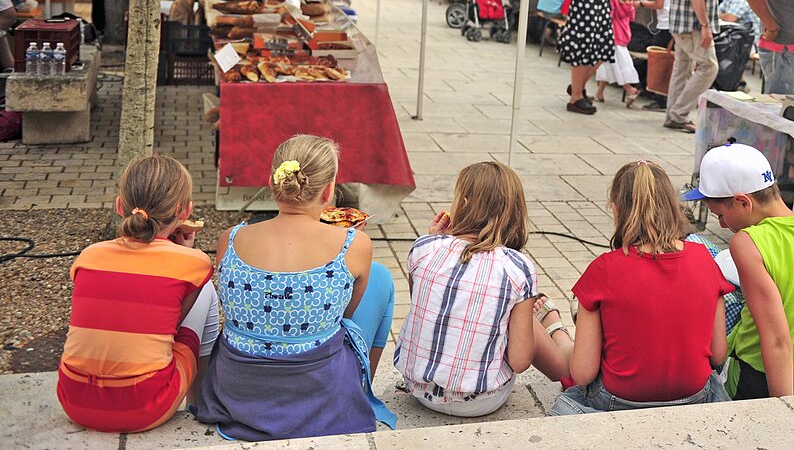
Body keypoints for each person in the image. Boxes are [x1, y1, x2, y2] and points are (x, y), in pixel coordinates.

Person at [196, 135, 396, 440]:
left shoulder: (231, 239)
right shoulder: (355, 244)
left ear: (272, 183)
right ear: (329, 191)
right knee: (380, 278)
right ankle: (360, 390)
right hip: (318, 390)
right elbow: (346, 314)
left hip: (238, 391)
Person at [551, 160, 734, 414]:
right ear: (674, 208)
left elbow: (582, 373)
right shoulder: (705, 259)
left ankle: (561, 331)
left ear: (616, 211)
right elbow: (718, 354)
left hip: (619, 400)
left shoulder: (603, 269)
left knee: (569, 400)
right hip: (694, 396)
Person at [57, 155, 218, 433]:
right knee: (205, 291)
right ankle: (198, 401)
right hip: (144, 406)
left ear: (120, 205)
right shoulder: (195, 263)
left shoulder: (89, 256)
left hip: (74, 400)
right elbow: (172, 325)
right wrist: (187, 252)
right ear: (185, 211)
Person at [397, 161, 572, 416]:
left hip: (420, 392)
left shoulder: (423, 248)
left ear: (464, 204)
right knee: (522, 318)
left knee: (496, 308)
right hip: (480, 402)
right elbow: (520, 361)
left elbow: (426, 305)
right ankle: (558, 334)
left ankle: (534, 322)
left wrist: (434, 238)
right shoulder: (517, 266)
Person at [685, 143, 794, 399]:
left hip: (761, 379)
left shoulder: (747, 242)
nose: (723, 225)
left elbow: (777, 341)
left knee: (696, 253)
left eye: (721, 215)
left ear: (742, 202)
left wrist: (785, 413)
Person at [665, 0, 720, 132]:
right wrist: (705, 26)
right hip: (693, 25)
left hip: (682, 22)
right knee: (709, 67)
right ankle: (678, 113)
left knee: (682, 68)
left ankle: (673, 113)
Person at [594, 0, 642, 107]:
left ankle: (630, 89)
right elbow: (632, 17)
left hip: (612, 33)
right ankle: (599, 92)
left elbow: (609, 15)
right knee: (606, 62)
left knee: (614, 63)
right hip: (624, 33)